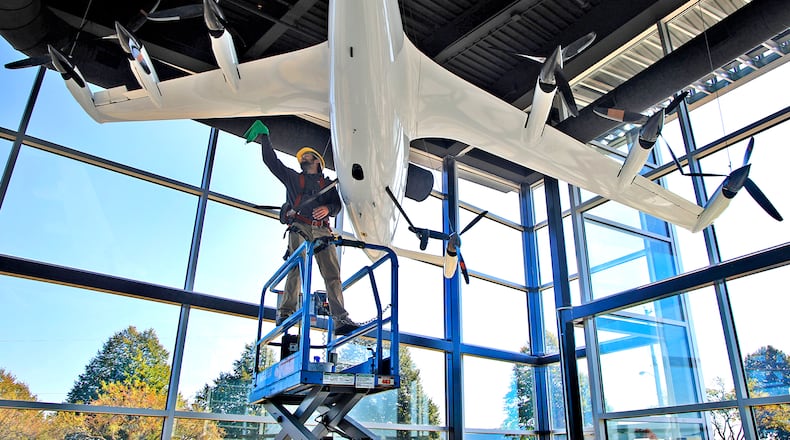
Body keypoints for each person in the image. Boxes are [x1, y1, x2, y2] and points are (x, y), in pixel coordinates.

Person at [243, 120, 359, 335]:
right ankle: (286, 312)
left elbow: (336, 206)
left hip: (323, 231)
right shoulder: (293, 179)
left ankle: (341, 319)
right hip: (301, 227)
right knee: (297, 265)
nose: (303, 159)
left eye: (307, 157)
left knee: (333, 275)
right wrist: (265, 138)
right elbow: (272, 162)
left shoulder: (329, 185)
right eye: (302, 158)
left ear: (318, 162)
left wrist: (327, 208)